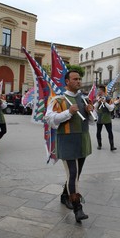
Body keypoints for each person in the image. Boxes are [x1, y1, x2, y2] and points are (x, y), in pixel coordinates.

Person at [45, 70, 94, 222]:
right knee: (73, 174)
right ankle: (77, 208)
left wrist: (91, 112)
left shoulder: (84, 99)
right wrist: (68, 112)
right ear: (67, 81)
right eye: (75, 79)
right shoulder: (58, 99)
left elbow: (92, 122)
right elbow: (50, 120)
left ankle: (64, 195)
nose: (79, 81)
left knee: (75, 175)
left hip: (83, 141)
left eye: (80, 79)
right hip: (66, 141)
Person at [94, 84, 117, 151]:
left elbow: (111, 109)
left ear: (102, 91)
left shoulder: (109, 98)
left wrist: (105, 103)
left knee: (110, 132)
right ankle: (99, 145)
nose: (97, 91)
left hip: (107, 117)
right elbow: (94, 107)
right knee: (98, 132)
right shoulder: (97, 98)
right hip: (100, 118)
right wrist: (98, 102)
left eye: (98, 90)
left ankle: (112, 146)